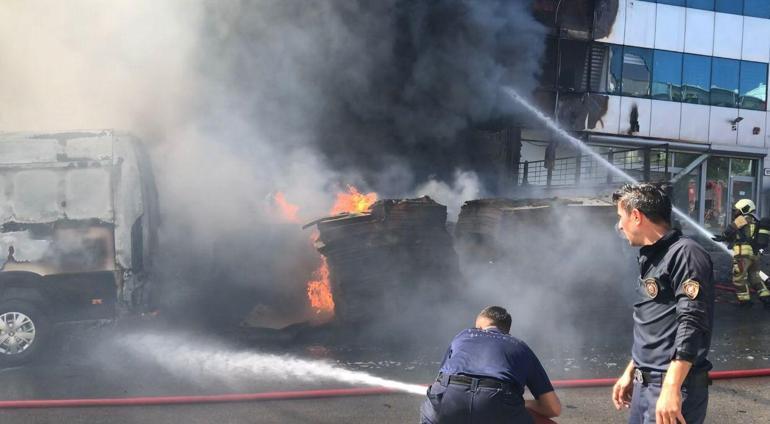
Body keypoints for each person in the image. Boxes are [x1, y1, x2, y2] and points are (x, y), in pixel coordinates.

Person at [611, 183, 714, 424]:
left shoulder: (685, 254)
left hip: (672, 384)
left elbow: (692, 321)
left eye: (620, 217)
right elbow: (656, 322)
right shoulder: (653, 255)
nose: (619, 225)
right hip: (645, 384)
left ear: (636, 216)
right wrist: (632, 370)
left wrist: (672, 386)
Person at [419, 306, 560, 424]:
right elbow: (553, 408)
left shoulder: (462, 336)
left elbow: (440, 378)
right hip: (498, 404)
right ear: (507, 331)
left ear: (480, 326)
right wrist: (524, 404)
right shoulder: (520, 347)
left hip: (447, 400)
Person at [712, 198, 770, 306]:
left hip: (742, 254)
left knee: (739, 278)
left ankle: (744, 300)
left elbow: (730, 229)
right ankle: (765, 296)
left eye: (738, 210)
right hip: (754, 254)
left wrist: (722, 236)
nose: (736, 212)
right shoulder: (757, 220)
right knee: (755, 277)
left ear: (745, 209)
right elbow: (743, 235)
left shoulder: (743, 219)